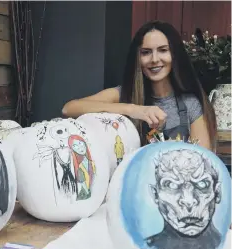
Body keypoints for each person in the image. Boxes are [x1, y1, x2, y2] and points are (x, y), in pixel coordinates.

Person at [62, 20, 217, 151]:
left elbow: (203, 163)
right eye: (146, 52)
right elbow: (69, 108)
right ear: (138, 58)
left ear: (174, 55)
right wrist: (133, 109)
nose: (154, 59)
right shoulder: (124, 94)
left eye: (163, 50)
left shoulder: (190, 104)